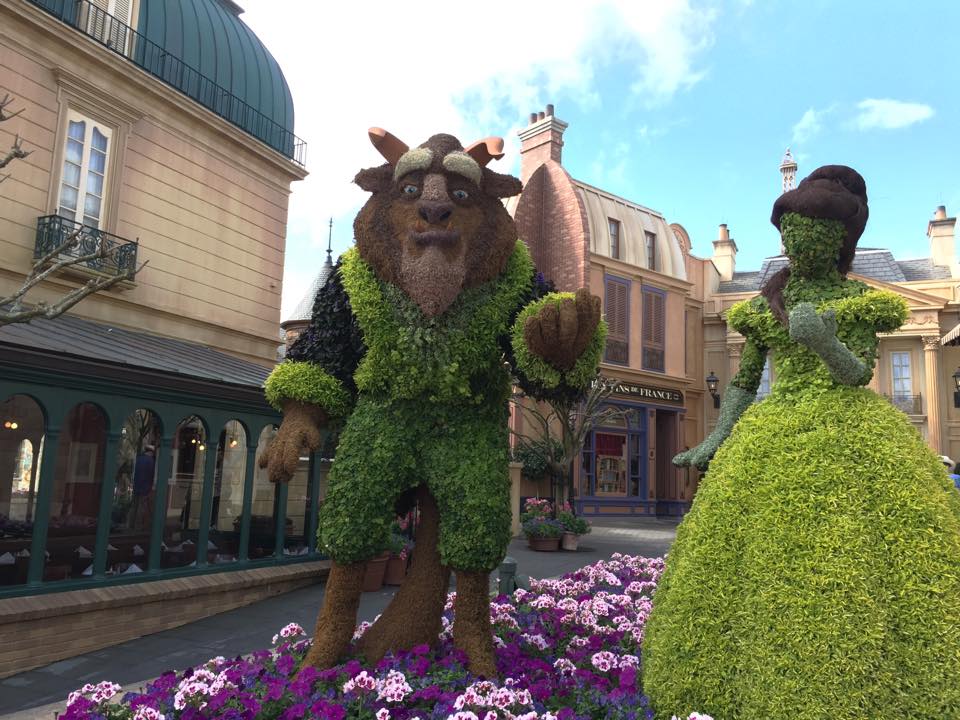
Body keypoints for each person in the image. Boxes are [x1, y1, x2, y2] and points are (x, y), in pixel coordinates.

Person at [129, 445, 156, 530]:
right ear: (151, 452)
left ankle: (130, 524)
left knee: (134, 506)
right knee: (141, 507)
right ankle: (138, 525)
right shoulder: (151, 461)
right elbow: (151, 475)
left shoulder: (139, 459)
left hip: (136, 486)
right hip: (145, 487)